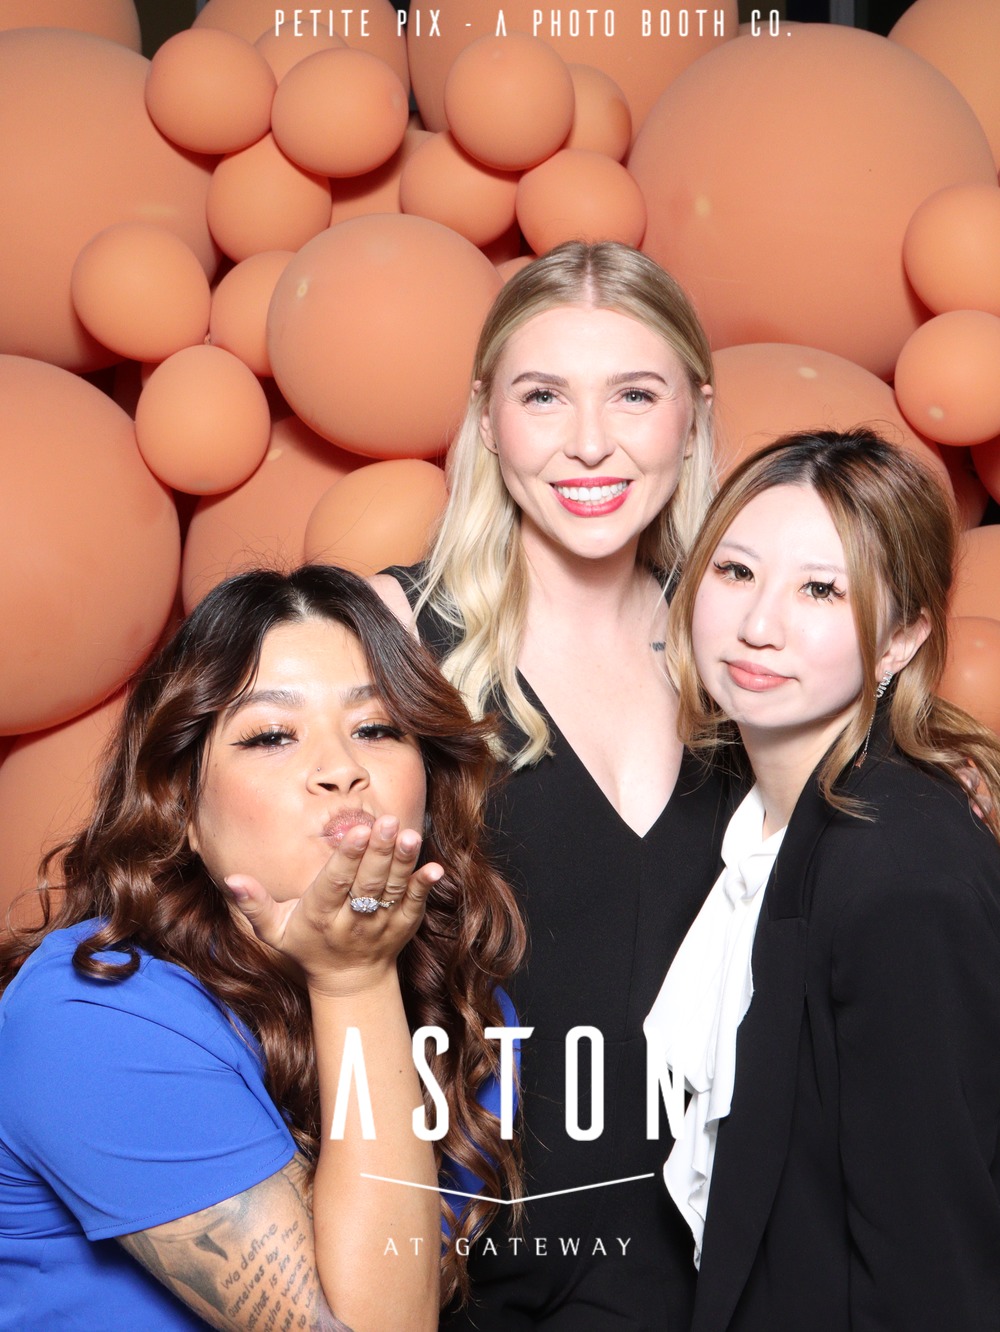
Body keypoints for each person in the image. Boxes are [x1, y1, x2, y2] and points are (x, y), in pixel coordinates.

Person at [0, 565, 525, 1332]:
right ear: (181, 805)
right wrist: (353, 980)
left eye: (377, 728)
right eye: (272, 735)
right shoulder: (90, 1008)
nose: (341, 770)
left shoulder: (469, 1014)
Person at [374, 241, 732, 1330]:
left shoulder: (748, 647)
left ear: (692, 416)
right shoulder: (390, 637)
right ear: (487, 418)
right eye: (543, 396)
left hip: (723, 1266)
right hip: (468, 1270)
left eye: (634, 395)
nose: (588, 441)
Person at [648, 428, 1000, 1331]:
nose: (758, 625)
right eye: (735, 572)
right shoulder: (757, 823)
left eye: (820, 589)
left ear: (901, 639)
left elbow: (931, 1273)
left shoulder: (898, 874)